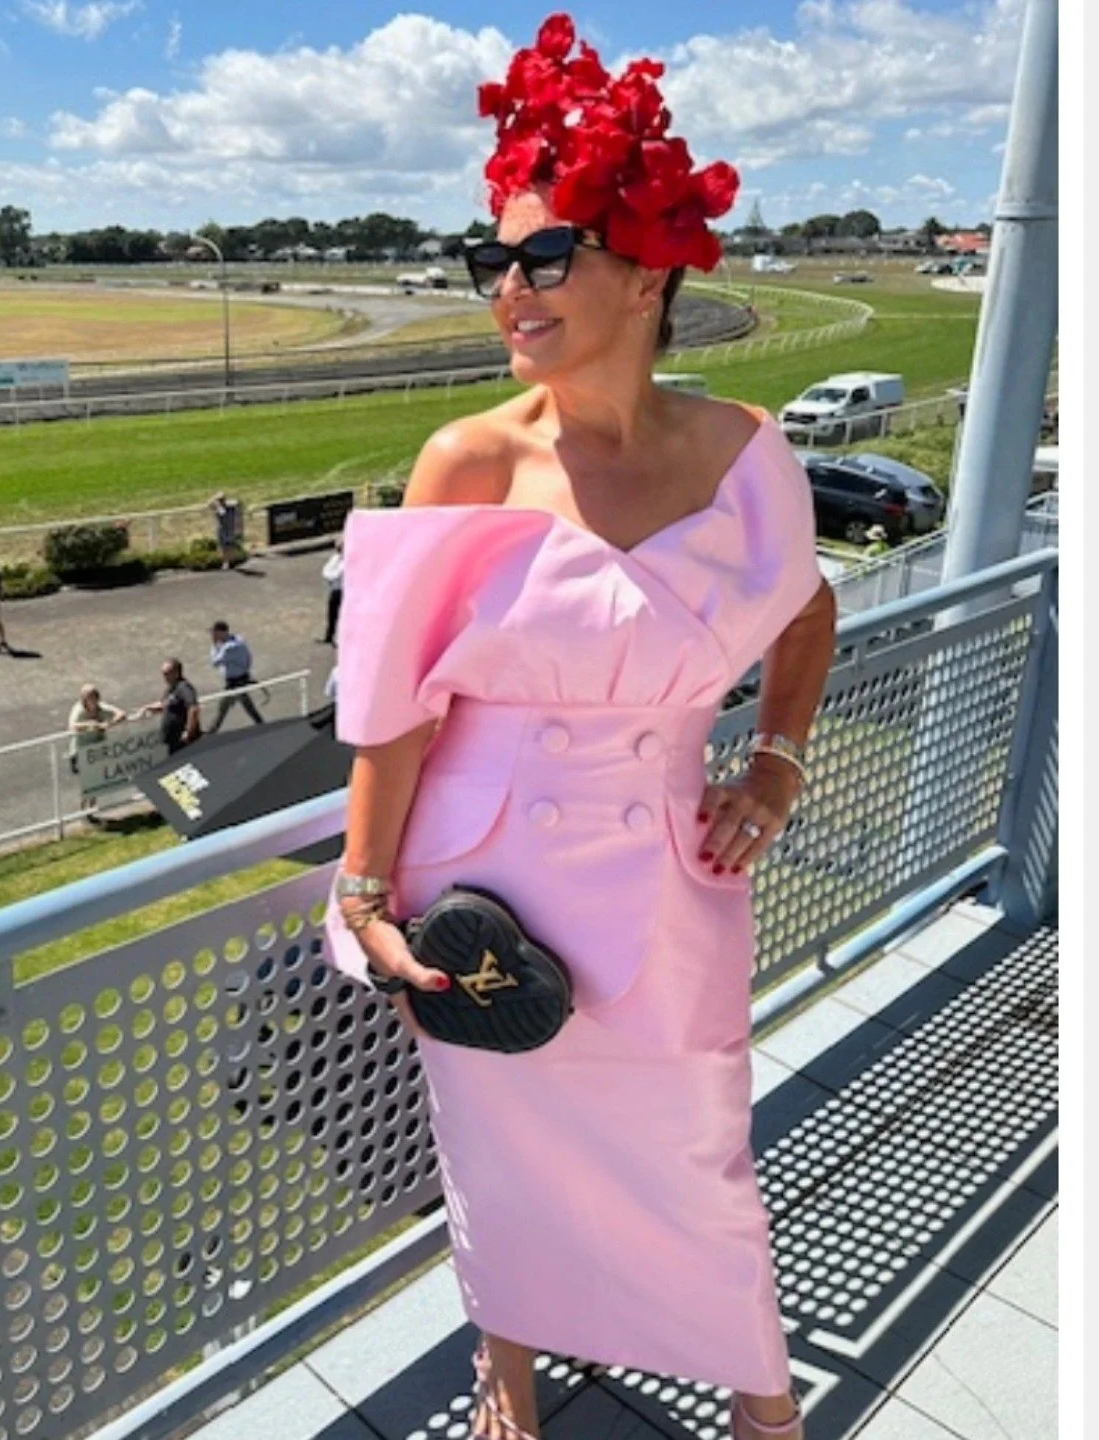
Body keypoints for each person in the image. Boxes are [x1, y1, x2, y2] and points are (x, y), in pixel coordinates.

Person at [322, 17, 836, 1440]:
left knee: (699, 1147)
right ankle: (512, 1362)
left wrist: (777, 762)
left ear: (651, 269)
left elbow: (806, 611)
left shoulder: (744, 451)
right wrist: (364, 893)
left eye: (545, 256)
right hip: (483, 884)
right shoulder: (468, 460)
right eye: (492, 261)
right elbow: (394, 710)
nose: (510, 289)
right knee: (502, 1151)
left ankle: (761, 1396)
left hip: (667, 875)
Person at [67, 683, 127, 820]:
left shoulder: (102, 708)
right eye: (89, 698)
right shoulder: (78, 710)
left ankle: (90, 811)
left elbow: (122, 714)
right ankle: (85, 811)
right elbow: (72, 726)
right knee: (88, 783)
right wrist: (90, 724)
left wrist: (109, 724)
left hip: (97, 751)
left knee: (96, 782)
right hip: (80, 752)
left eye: (94, 697)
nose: (92, 700)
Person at [134, 658, 203, 756]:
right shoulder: (171, 689)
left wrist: (189, 731)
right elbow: (164, 704)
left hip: (184, 740)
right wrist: (146, 707)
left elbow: (194, 708)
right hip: (174, 740)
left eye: (167, 673)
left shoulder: (183, 687)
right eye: (163, 673)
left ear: (176, 673)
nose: (164, 677)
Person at [208, 620, 267, 730]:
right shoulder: (239, 639)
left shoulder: (228, 648)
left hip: (234, 682)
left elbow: (215, 662)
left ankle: (211, 732)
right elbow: (249, 657)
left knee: (223, 709)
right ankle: (262, 726)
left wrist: (214, 645)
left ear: (221, 633)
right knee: (246, 707)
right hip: (242, 678)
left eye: (215, 633)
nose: (213, 636)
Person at [209, 492, 244, 570]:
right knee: (224, 547)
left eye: (222, 499)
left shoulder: (230, 507)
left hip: (230, 529)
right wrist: (214, 499)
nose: (221, 501)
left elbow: (239, 503)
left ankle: (230, 561)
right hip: (223, 530)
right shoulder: (219, 508)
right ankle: (226, 562)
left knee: (230, 546)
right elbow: (209, 505)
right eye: (219, 500)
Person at [319, 537, 344, 644]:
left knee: (342, 616)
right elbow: (325, 570)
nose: (338, 548)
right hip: (334, 590)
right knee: (331, 614)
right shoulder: (335, 558)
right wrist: (330, 575)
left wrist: (329, 576)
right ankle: (329, 636)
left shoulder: (347, 560)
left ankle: (339, 639)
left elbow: (337, 574)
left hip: (343, 591)